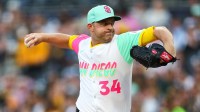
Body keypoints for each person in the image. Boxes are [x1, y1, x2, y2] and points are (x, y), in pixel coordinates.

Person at [24, 5, 176, 112]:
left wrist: (168, 55)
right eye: (104, 23)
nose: (110, 27)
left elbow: (161, 31)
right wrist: (43, 36)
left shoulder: (123, 42)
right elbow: (67, 40)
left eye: (111, 23)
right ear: (90, 27)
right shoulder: (83, 44)